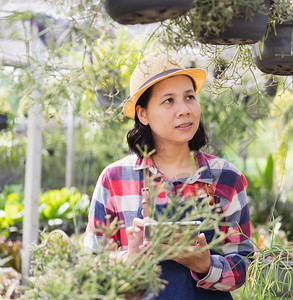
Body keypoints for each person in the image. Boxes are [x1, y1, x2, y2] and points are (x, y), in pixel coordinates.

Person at [84, 53, 253, 299]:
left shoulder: (225, 178)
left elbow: (245, 264)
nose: (184, 110)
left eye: (189, 97)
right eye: (168, 101)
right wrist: (129, 259)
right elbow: (91, 267)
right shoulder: (114, 179)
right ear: (143, 114)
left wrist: (205, 266)